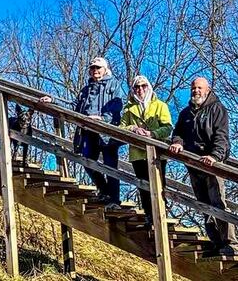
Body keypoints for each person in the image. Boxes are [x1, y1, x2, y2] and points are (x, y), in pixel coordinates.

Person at [169, 77, 238, 256]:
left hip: (212, 164)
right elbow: (178, 132)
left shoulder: (217, 109)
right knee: (203, 205)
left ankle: (231, 243)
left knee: (218, 203)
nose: (196, 91)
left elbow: (221, 136)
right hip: (193, 164)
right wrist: (177, 143)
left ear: (207, 90)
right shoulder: (186, 113)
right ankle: (216, 242)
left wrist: (215, 156)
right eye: (193, 88)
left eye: (199, 88)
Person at [119, 75, 172, 227]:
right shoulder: (129, 109)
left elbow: (168, 127)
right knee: (143, 186)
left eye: (143, 86)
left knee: (159, 185)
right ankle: (149, 216)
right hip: (137, 153)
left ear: (149, 87)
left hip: (157, 153)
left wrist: (152, 134)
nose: (140, 89)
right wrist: (133, 128)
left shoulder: (160, 105)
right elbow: (121, 128)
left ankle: (161, 216)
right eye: (137, 87)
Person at [73, 57, 124, 210]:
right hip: (88, 131)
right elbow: (74, 106)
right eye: (93, 68)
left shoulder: (114, 84)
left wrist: (102, 119)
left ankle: (114, 200)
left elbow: (118, 105)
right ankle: (104, 190)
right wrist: (53, 100)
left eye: (98, 68)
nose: (95, 70)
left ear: (105, 69)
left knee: (110, 165)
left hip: (107, 132)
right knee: (87, 160)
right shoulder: (86, 89)